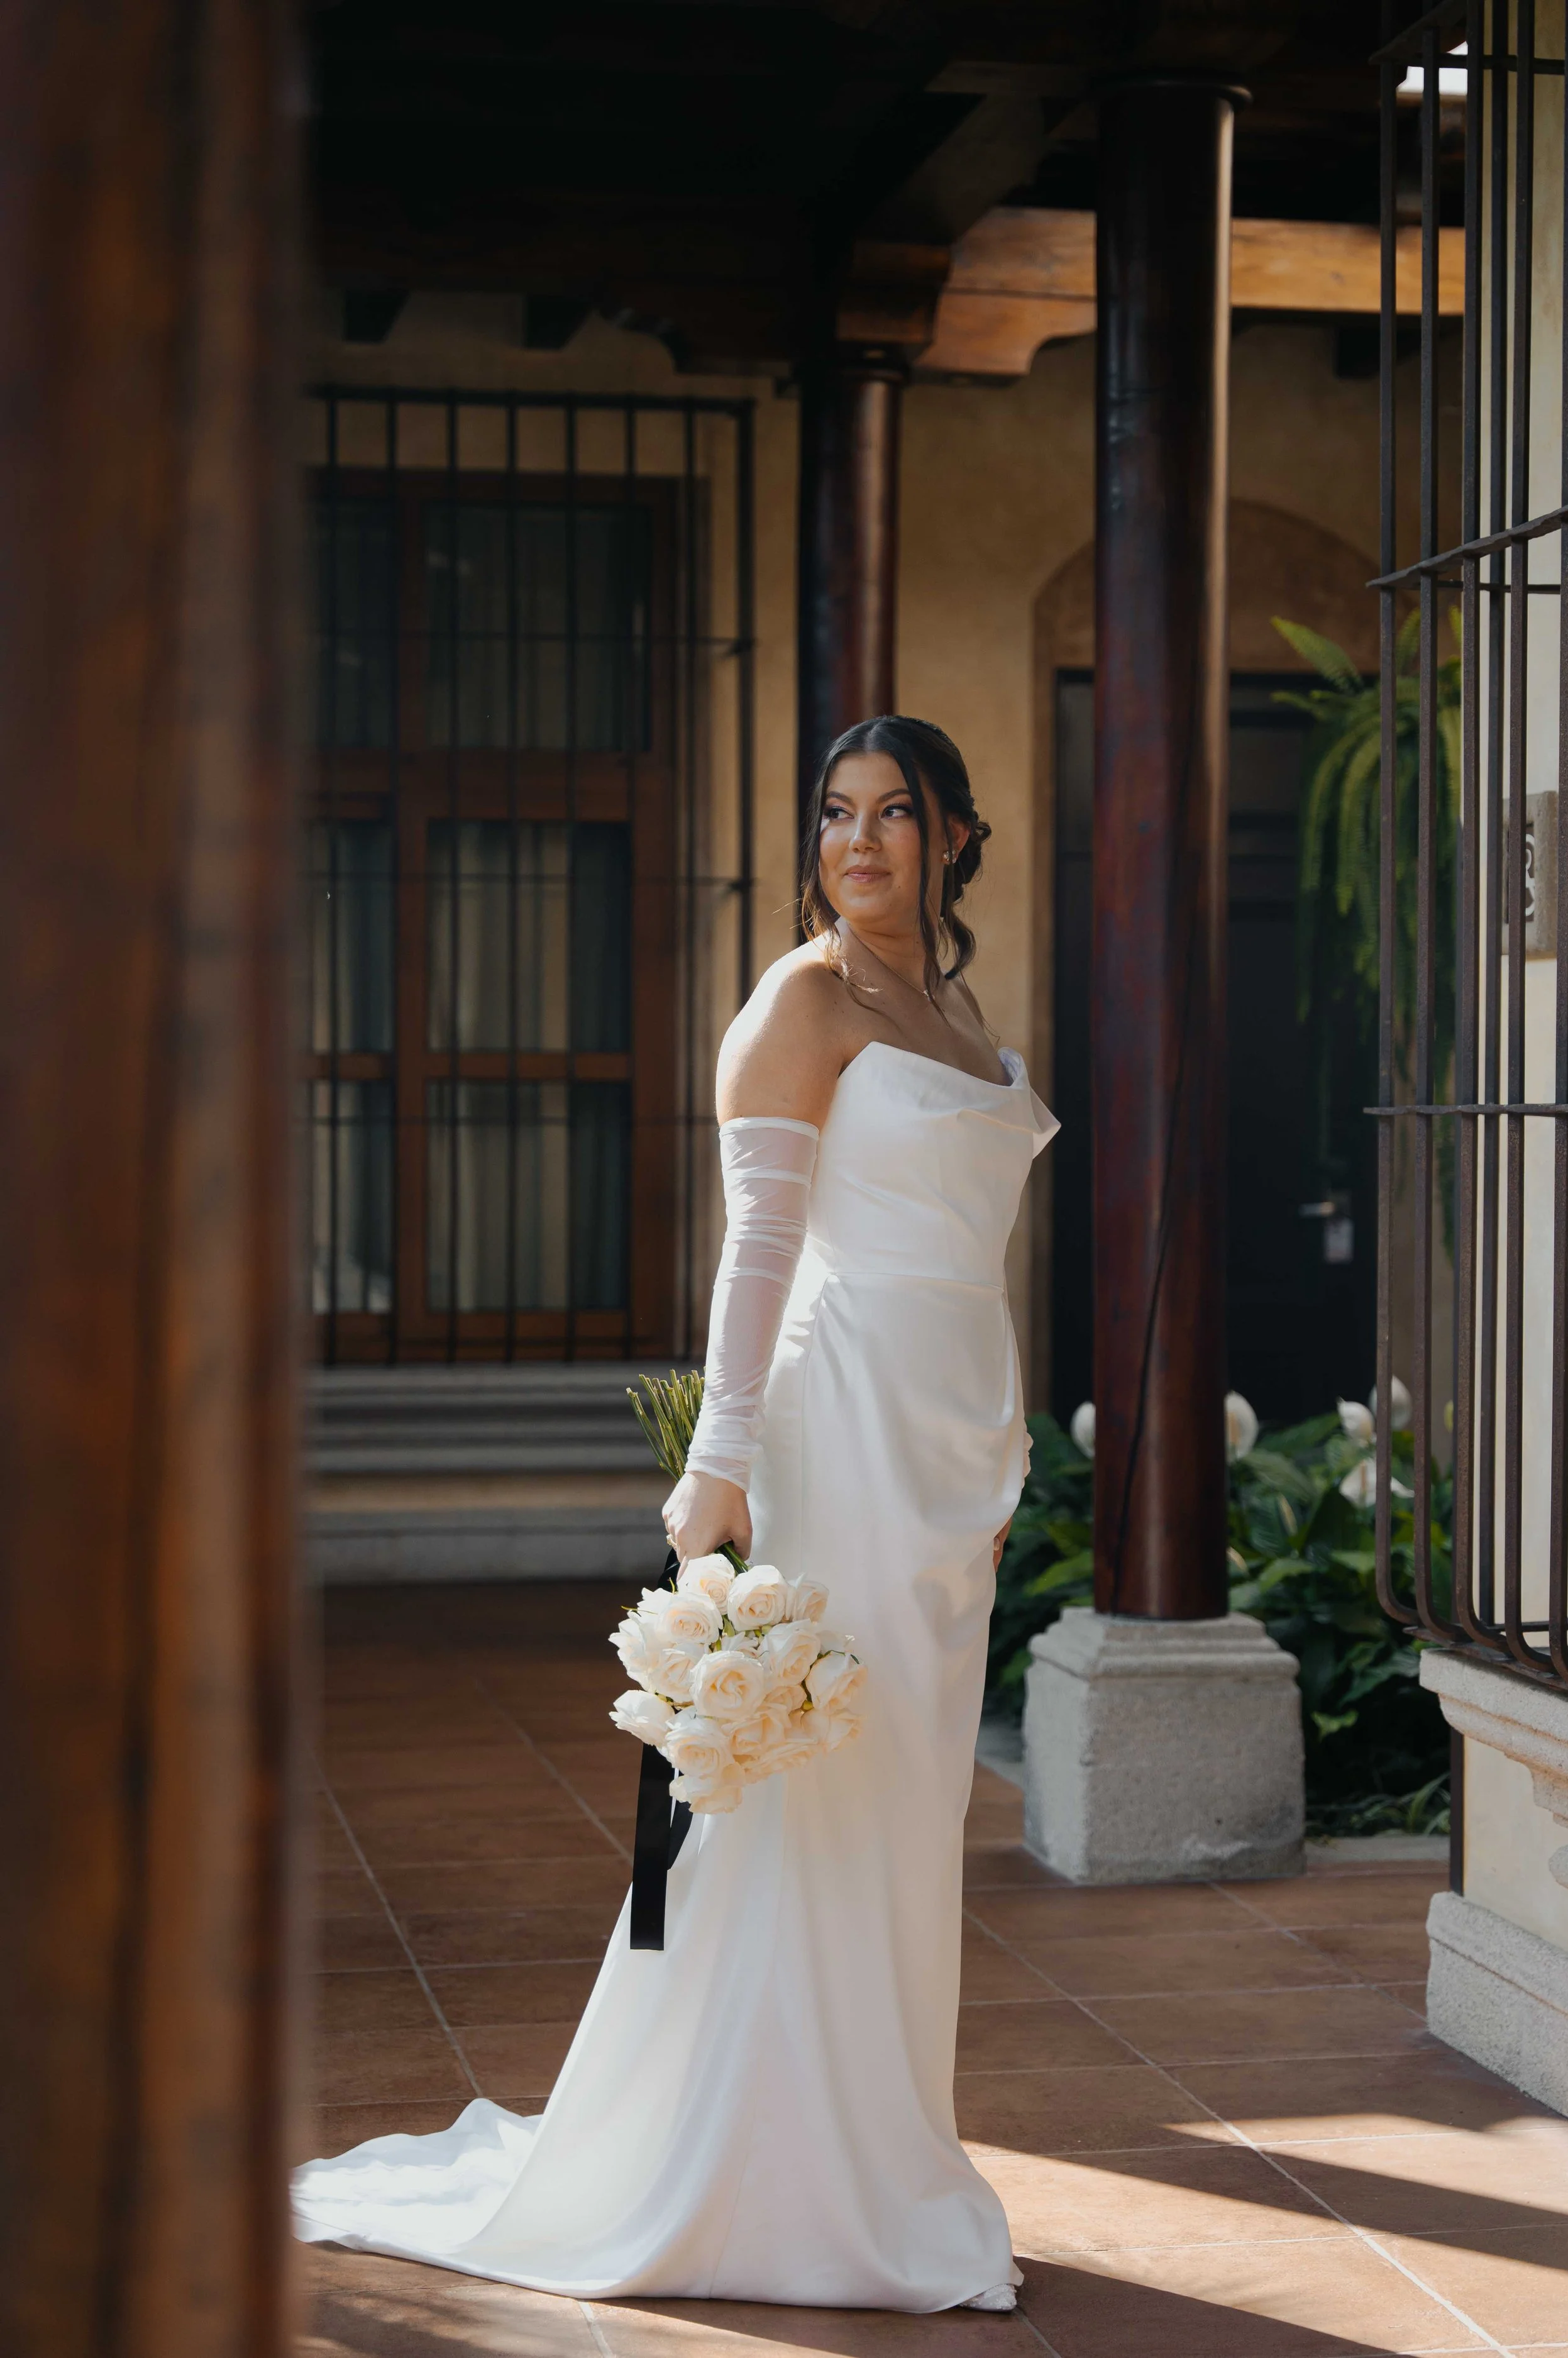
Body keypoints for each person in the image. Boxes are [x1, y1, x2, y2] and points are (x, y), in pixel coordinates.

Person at [293, 714, 1058, 2313]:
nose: (858, 842)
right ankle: (769, 2178)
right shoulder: (800, 1000)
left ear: (956, 839)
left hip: (944, 1454)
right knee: (805, 1801)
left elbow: (971, 1259)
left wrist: (999, 1452)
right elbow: (758, 1248)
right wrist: (717, 1470)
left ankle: (885, 2140)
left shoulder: (954, 1007)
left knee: (910, 1815)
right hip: (836, 1431)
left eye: (894, 813)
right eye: (835, 814)